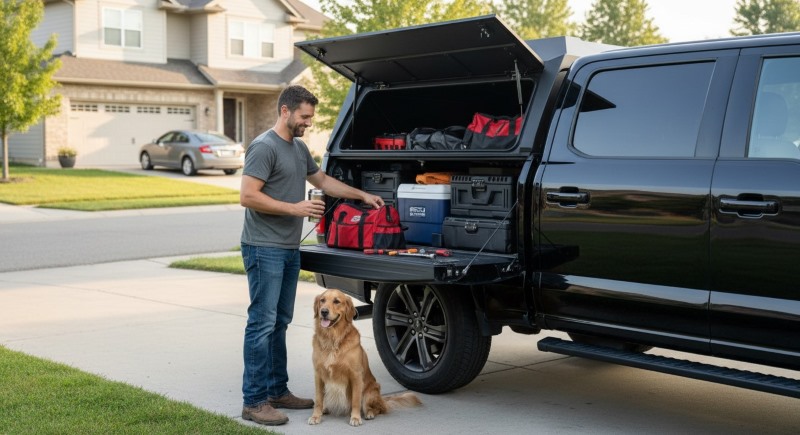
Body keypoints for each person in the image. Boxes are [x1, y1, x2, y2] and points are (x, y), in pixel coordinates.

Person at [239, 85, 384, 426]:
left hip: (288, 249)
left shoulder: (298, 148)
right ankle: (254, 401)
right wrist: (295, 207)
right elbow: (247, 195)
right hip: (263, 247)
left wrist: (362, 195)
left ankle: (277, 391)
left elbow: (322, 179)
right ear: (285, 112)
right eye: (304, 116)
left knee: (280, 322)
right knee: (261, 324)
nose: (308, 122)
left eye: (310, 117)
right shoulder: (263, 147)